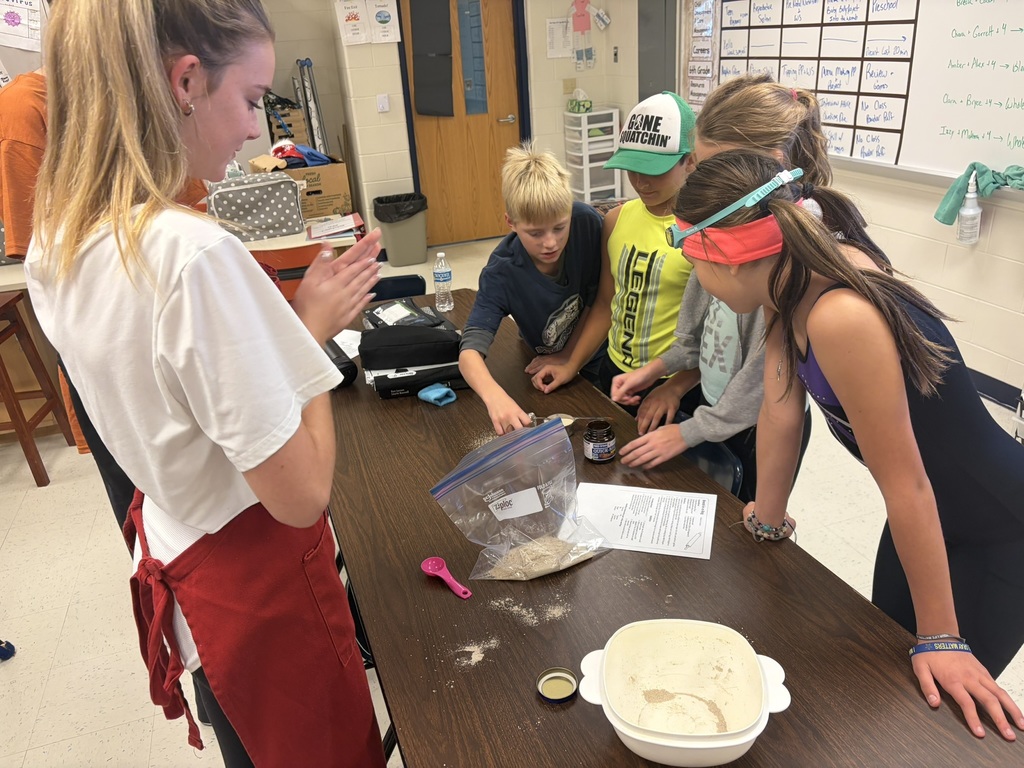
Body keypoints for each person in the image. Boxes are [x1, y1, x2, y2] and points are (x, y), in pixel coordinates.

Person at [25, 2, 387, 766]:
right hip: (257, 569)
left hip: (183, 542)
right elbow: (301, 492)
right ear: (186, 80)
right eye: (253, 100)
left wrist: (280, 333)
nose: (258, 129)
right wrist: (305, 341)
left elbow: (178, 399)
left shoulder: (56, 236)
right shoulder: (190, 255)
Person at [673, 148, 1024, 741]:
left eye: (690, 261)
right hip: (925, 517)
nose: (695, 281)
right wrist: (768, 517)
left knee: (934, 718)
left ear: (724, 257)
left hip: (997, 528)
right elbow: (780, 410)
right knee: (881, 667)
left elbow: (906, 481)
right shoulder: (790, 284)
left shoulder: (839, 314)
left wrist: (942, 635)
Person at [607, 75, 835, 499]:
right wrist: (660, 370)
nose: (701, 180)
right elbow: (699, 326)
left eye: (710, 167)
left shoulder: (791, 264)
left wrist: (692, 431)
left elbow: (772, 392)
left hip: (750, 427)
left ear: (767, 165)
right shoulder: (722, 228)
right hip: (715, 406)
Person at [530, 91, 697, 421]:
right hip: (614, 372)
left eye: (655, 170)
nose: (641, 182)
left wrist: (675, 387)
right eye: (633, 168)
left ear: (689, 160)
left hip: (673, 387)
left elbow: (720, 339)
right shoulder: (616, 219)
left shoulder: (703, 232)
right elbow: (607, 302)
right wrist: (571, 362)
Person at [460, 140, 603, 435]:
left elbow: (597, 298)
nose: (550, 243)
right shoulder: (501, 272)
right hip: (545, 366)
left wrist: (570, 357)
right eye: (535, 233)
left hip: (597, 354)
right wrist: (495, 398)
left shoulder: (586, 224)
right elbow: (469, 353)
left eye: (559, 228)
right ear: (510, 222)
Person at [610, 277, 765, 502]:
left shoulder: (769, 294)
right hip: (713, 407)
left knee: (740, 507)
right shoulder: (705, 263)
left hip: (756, 427)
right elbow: (696, 344)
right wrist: (654, 370)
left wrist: (689, 432)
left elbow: (759, 385)